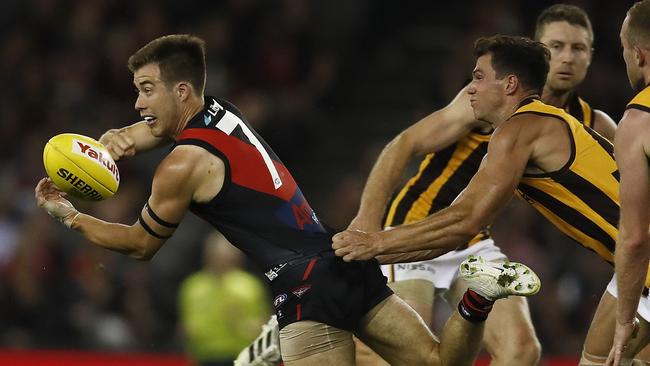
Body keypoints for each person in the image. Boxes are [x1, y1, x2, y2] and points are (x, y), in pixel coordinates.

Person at [34, 34, 540, 366]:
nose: (139, 102)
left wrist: (71, 217)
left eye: (146, 90)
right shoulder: (219, 112)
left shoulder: (181, 166)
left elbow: (140, 245)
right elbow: (159, 129)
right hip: (337, 261)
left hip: (302, 291)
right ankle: (475, 298)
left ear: (182, 91)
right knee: (438, 363)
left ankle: (270, 345)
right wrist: (120, 137)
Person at [331, 33, 650, 364]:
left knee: (512, 352)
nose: (471, 86)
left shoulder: (522, 127)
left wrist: (374, 244)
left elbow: (466, 219)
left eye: (479, 77)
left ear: (510, 84)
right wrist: (370, 226)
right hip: (416, 224)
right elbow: (404, 147)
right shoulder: (542, 123)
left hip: (461, 234)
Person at [607, 1, 650, 365]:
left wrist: (624, 319)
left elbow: (635, 237)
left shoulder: (637, 123)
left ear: (638, 55)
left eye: (623, 47)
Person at [178, 232, 270, 366]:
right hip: (204, 357)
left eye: (224, 257)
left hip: (241, 356)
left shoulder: (249, 286)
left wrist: (241, 324)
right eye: (216, 256)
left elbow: (264, 325)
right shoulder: (193, 287)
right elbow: (185, 326)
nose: (220, 261)